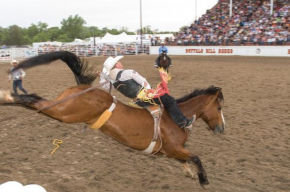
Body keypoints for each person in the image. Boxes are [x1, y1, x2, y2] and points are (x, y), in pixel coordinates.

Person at [100, 56, 194, 130]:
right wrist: (152, 92)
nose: (121, 63)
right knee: (170, 100)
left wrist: (102, 77)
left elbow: (105, 86)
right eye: (119, 62)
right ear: (116, 65)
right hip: (146, 96)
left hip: (137, 101)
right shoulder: (128, 72)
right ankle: (183, 122)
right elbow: (144, 82)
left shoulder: (112, 81)